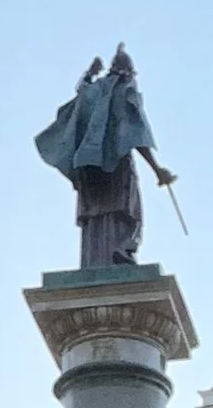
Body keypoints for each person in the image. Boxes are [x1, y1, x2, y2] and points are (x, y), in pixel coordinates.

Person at [34, 46, 177, 267]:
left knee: (96, 217)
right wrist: (157, 169)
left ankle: (96, 261)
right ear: (129, 72)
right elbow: (134, 134)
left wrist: (90, 73)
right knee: (129, 213)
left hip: (88, 167)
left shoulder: (94, 90)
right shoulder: (125, 90)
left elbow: (81, 91)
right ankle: (122, 251)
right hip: (116, 166)